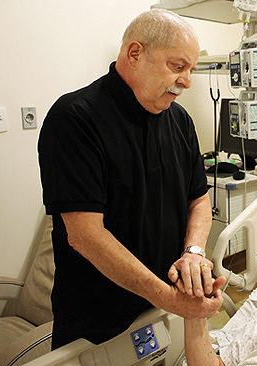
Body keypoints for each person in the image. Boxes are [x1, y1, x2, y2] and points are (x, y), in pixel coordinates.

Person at [38, 9, 223, 349]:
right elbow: (85, 235)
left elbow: (198, 198)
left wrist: (194, 252)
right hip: (98, 322)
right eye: (178, 66)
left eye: (191, 70)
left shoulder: (179, 120)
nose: (187, 81)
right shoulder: (76, 119)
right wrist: (169, 298)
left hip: (162, 310)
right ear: (135, 53)